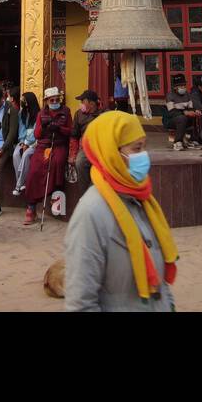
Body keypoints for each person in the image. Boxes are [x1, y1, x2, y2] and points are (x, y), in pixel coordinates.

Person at [65, 111, 177, 311]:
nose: (144, 155)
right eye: (137, 148)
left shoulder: (143, 200)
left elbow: (161, 285)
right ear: (111, 153)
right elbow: (81, 303)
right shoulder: (91, 213)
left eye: (144, 147)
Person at [24, 87, 72, 226]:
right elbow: (37, 135)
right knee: (34, 169)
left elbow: (70, 130)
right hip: (43, 146)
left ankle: (56, 197)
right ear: (46, 101)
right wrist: (44, 127)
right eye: (52, 100)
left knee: (57, 162)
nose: (55, 102)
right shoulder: (41, 114)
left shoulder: (66, 111)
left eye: (57, 99)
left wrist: (59, 129)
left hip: (59, 144)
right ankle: (31, 207)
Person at [0, 85, 18, 219]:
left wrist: (3, 148)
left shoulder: (11, 110)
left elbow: (11, 134)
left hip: (4, 145)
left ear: (2, 98)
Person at [72, 89, 102, 189]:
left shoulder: (105, 113)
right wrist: (72, 154)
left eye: (83, 101)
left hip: (101, 148)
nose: (81, 104)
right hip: (86, 148)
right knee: (79, 162)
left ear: (92, 103)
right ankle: (84, 193)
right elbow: (74, 136)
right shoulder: (78, 114)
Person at [12, 91, 40, 196]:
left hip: (34, 143)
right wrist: (23, 142)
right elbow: (22, 130)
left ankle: (18, 185)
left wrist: (28, 144)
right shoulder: (21, 113)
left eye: (24, 100)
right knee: (15, 155)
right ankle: (23, 182)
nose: (22, 102)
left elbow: (35, 132)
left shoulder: (38, 114)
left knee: (25, 154)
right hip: (23, 140)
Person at [163, 75, 200, 151]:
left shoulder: (187, 94)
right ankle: (177, 142)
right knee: (181, 118)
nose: (183, 87)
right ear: (174, 87)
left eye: (184, 85)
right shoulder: (170, 96)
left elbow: (191, 108)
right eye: (180, 86)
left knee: (198, 116)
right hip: (171, 119)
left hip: (184, 117)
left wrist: (195, 111)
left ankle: (193, 140)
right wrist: (185, 112)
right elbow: (171, 112)